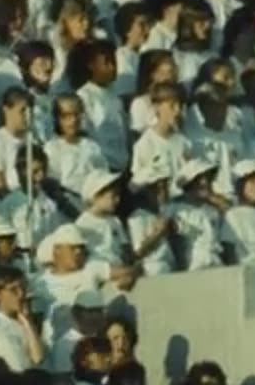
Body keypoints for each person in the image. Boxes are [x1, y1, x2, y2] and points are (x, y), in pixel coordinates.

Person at [73, 39, 130, 171]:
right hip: (103, 167)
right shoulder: (84, 96)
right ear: (91, 65)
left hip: (122, 165)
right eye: (106, 63)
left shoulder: (115, 95)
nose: (112, 68)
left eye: (114, 62)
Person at [0, 264, 46, 372]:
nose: (21, 294)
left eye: (23, 288)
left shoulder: (26, 323)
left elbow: (38, 358)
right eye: (13, 290)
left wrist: (27, 321)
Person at [169, 158, 227, 271]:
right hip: (193, 268)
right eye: (201, 178)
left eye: (208, 178)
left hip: (216, 265)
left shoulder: (212, 210)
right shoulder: (175, 209)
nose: (206, 182)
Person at [127, 162, 179, 275]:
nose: (163, 192)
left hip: (170, 267)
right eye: (157, 189)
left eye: (165, 186)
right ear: (145, 192)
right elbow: (138, 252)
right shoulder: (137, 217)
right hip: (153, 269)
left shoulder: (165, 212)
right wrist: (158, 233)